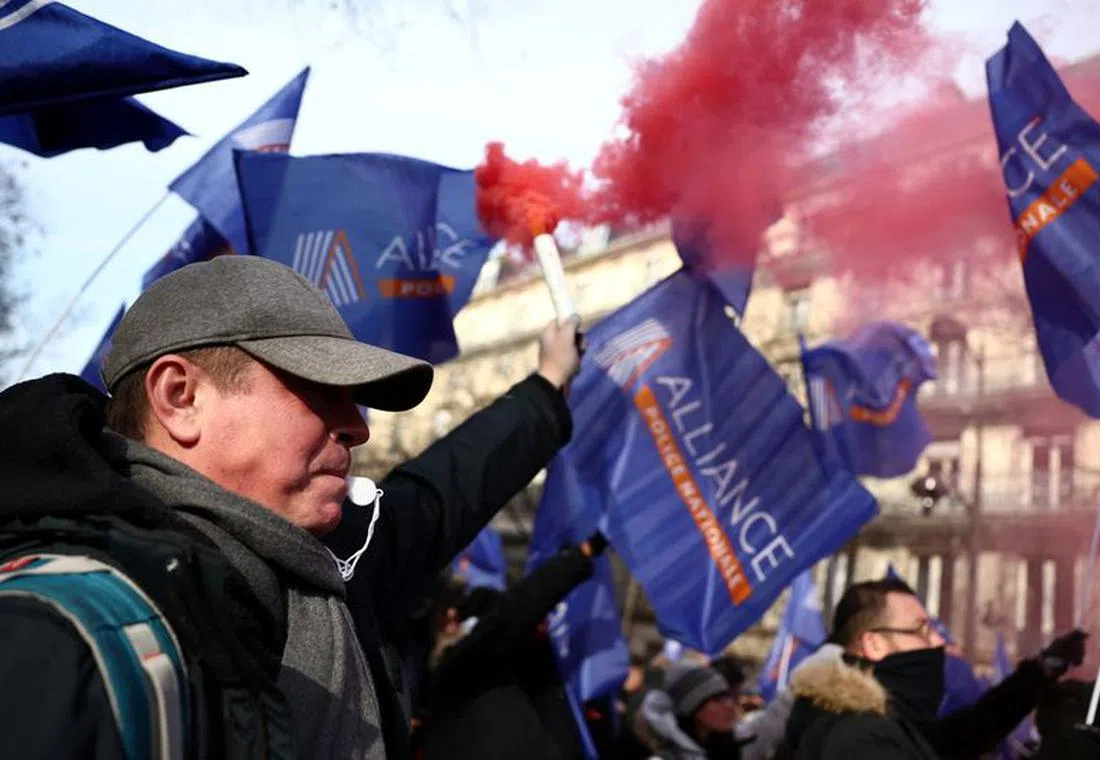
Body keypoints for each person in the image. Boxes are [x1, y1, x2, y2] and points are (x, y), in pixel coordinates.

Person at [0, 256, 581, 759]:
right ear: (182, 398)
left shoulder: (330, 564)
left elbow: (438, 497)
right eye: (320, 389)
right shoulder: (56, 628)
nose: (358, 428)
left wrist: (547, 387)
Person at [777, 577, 1088, 759]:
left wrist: (1040, 671)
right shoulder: (856, 737)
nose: (938, 641)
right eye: (921, 629)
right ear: (874, 645)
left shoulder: (881, 722)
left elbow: (969, 732)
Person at [419, 533, 609, 760]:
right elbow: (515, 610)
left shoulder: (520, 676)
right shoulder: (462, 665)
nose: (451, 615)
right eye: (447, 612)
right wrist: (579, 557)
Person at [638, 661, 796, 760]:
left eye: (728, 697)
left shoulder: (741, 746)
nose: (729, 705)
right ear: (693, 709)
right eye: (717, 700)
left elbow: (779, 714)